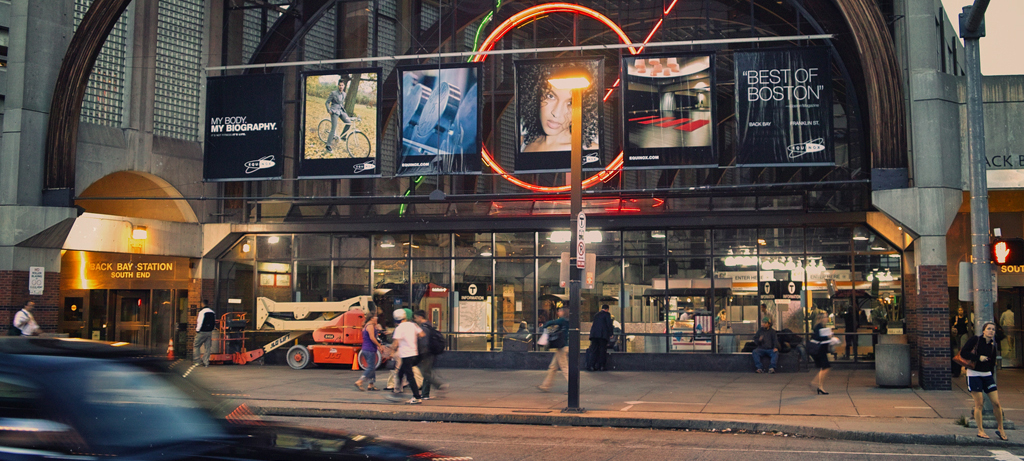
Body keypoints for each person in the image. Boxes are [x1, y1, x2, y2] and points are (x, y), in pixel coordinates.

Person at [519, 63, 599, 153]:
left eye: (570, 103)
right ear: (535, 96)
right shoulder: (522, 143)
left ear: (584, 108)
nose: (556, 113)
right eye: (550, 96)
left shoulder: (591, 152)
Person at [960, 322, 1007, 440]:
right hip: (974, 374)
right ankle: (980, 430)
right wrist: (978, 358)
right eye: (989, 329)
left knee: (996, 403)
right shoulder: (975, 340)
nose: (991, 331)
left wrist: (991, 374)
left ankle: (1000, 428)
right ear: (983, 331)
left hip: (987, 375)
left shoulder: (992, 345)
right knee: (979, 403)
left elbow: (992, 363)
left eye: (993, 329)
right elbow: (963, 353)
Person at [385, 309, 424, 404]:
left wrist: (391, 352)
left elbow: (395, 343)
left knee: (410, 376)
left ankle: (416, 396)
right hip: (414, 353)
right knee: (400, 373)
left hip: (406, 355)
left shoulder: (399, 328)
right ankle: (397, 393)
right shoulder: (413, 325)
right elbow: (422, 334)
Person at [413, 310, 446, 399]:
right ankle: (425, 394)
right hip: (431, 352)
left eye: (416, 318)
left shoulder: (423, 328)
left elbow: (424, 342)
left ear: (420, 317)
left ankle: (438, 384)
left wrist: (420, 354)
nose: (415, 320)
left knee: (425, 373)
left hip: (426, 353)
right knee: (427, 372)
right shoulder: (429, 325)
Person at [538, 307, 570, 392]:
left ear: (563, 312)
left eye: (559, 311)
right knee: (553, 367)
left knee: (565, 368)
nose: (558, 312)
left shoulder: (562, 320)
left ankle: (572, 387)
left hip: (562, 347)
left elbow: (551, 322)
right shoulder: (568, 321)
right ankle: (545, 385)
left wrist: (543, 326)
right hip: (563, 347)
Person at [809, 312, 836, 394]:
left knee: (824, 368)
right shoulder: (818, 327)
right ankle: (815, 382)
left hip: (821, 350)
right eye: (825, 317)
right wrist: (828, 336)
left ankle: (820, 386)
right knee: (825, 367)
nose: (826, 319)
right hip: (819, 350)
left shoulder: (822, 327)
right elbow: (817, 337)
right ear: (821, 318)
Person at [355, 310, 382, 391]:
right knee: (370, 367)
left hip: (367, 349)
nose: (377, 319)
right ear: (372, 318)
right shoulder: (370, 326)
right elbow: (372, 338)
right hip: (369, 349)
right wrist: (379, 345)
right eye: (376, 317)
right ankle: (360, 381)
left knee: (372, 367)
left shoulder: (369, 325)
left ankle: (371, 384)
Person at [324, 76, 353, 153]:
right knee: (333, 128)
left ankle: (343, 137)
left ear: (344, 86)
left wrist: (343, 111)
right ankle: (328, 145)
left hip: (341, 111)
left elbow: (341, 103)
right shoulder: (333, 93)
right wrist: (329, 110)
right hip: (334, 111)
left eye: (342, 85)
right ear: (338, 85)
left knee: (349, 122)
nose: (341, 87)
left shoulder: (344, 94)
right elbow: (327, 102)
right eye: (340, 85)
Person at [587, 304, 614, 371]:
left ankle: (592, 366)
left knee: (594, 350)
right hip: (602, 335)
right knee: (602, 350)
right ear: (607, 309)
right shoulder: (607, 314)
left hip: (594, 335)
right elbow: (609, 324)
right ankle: (601, 366)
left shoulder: (596, 315)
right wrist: (611, 334)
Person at [193, 300, 216, 367]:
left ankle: (197, 361)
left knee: (196, 346)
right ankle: (206, 362)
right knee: (207, 347)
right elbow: (213, 322)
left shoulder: (202, 312)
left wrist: (197, 330)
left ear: (202, 304)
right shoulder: (212, 312)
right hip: (209, 332)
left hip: (202, 331)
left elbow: (200, 322)